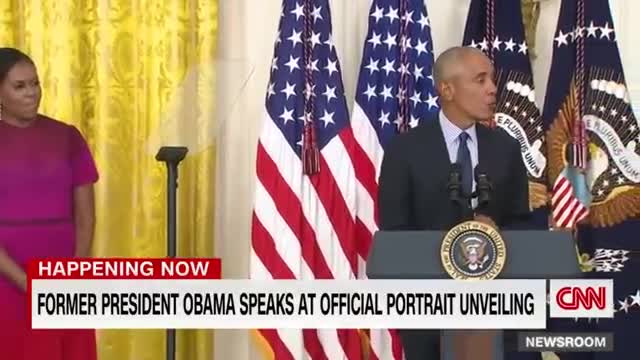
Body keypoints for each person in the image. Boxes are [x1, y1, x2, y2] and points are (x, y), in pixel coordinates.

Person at [377, 46, 529, 359]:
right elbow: (394, 235)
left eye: (492, 80)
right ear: (447, 89)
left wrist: (495, 232)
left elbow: (522, 223)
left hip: (495, 310)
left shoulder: (507, 148)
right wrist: (453, 243)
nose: (492, 89)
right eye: (481, 80)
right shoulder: (404, 151)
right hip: (429, 314)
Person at [0, 47, 99, 360]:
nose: (32, 93)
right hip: (7, 279)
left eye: (35, 83)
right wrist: (28, 284)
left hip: (65, 276)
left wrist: (74, 275)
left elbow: (86, 217)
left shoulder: (67, 136)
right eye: (20, 86)